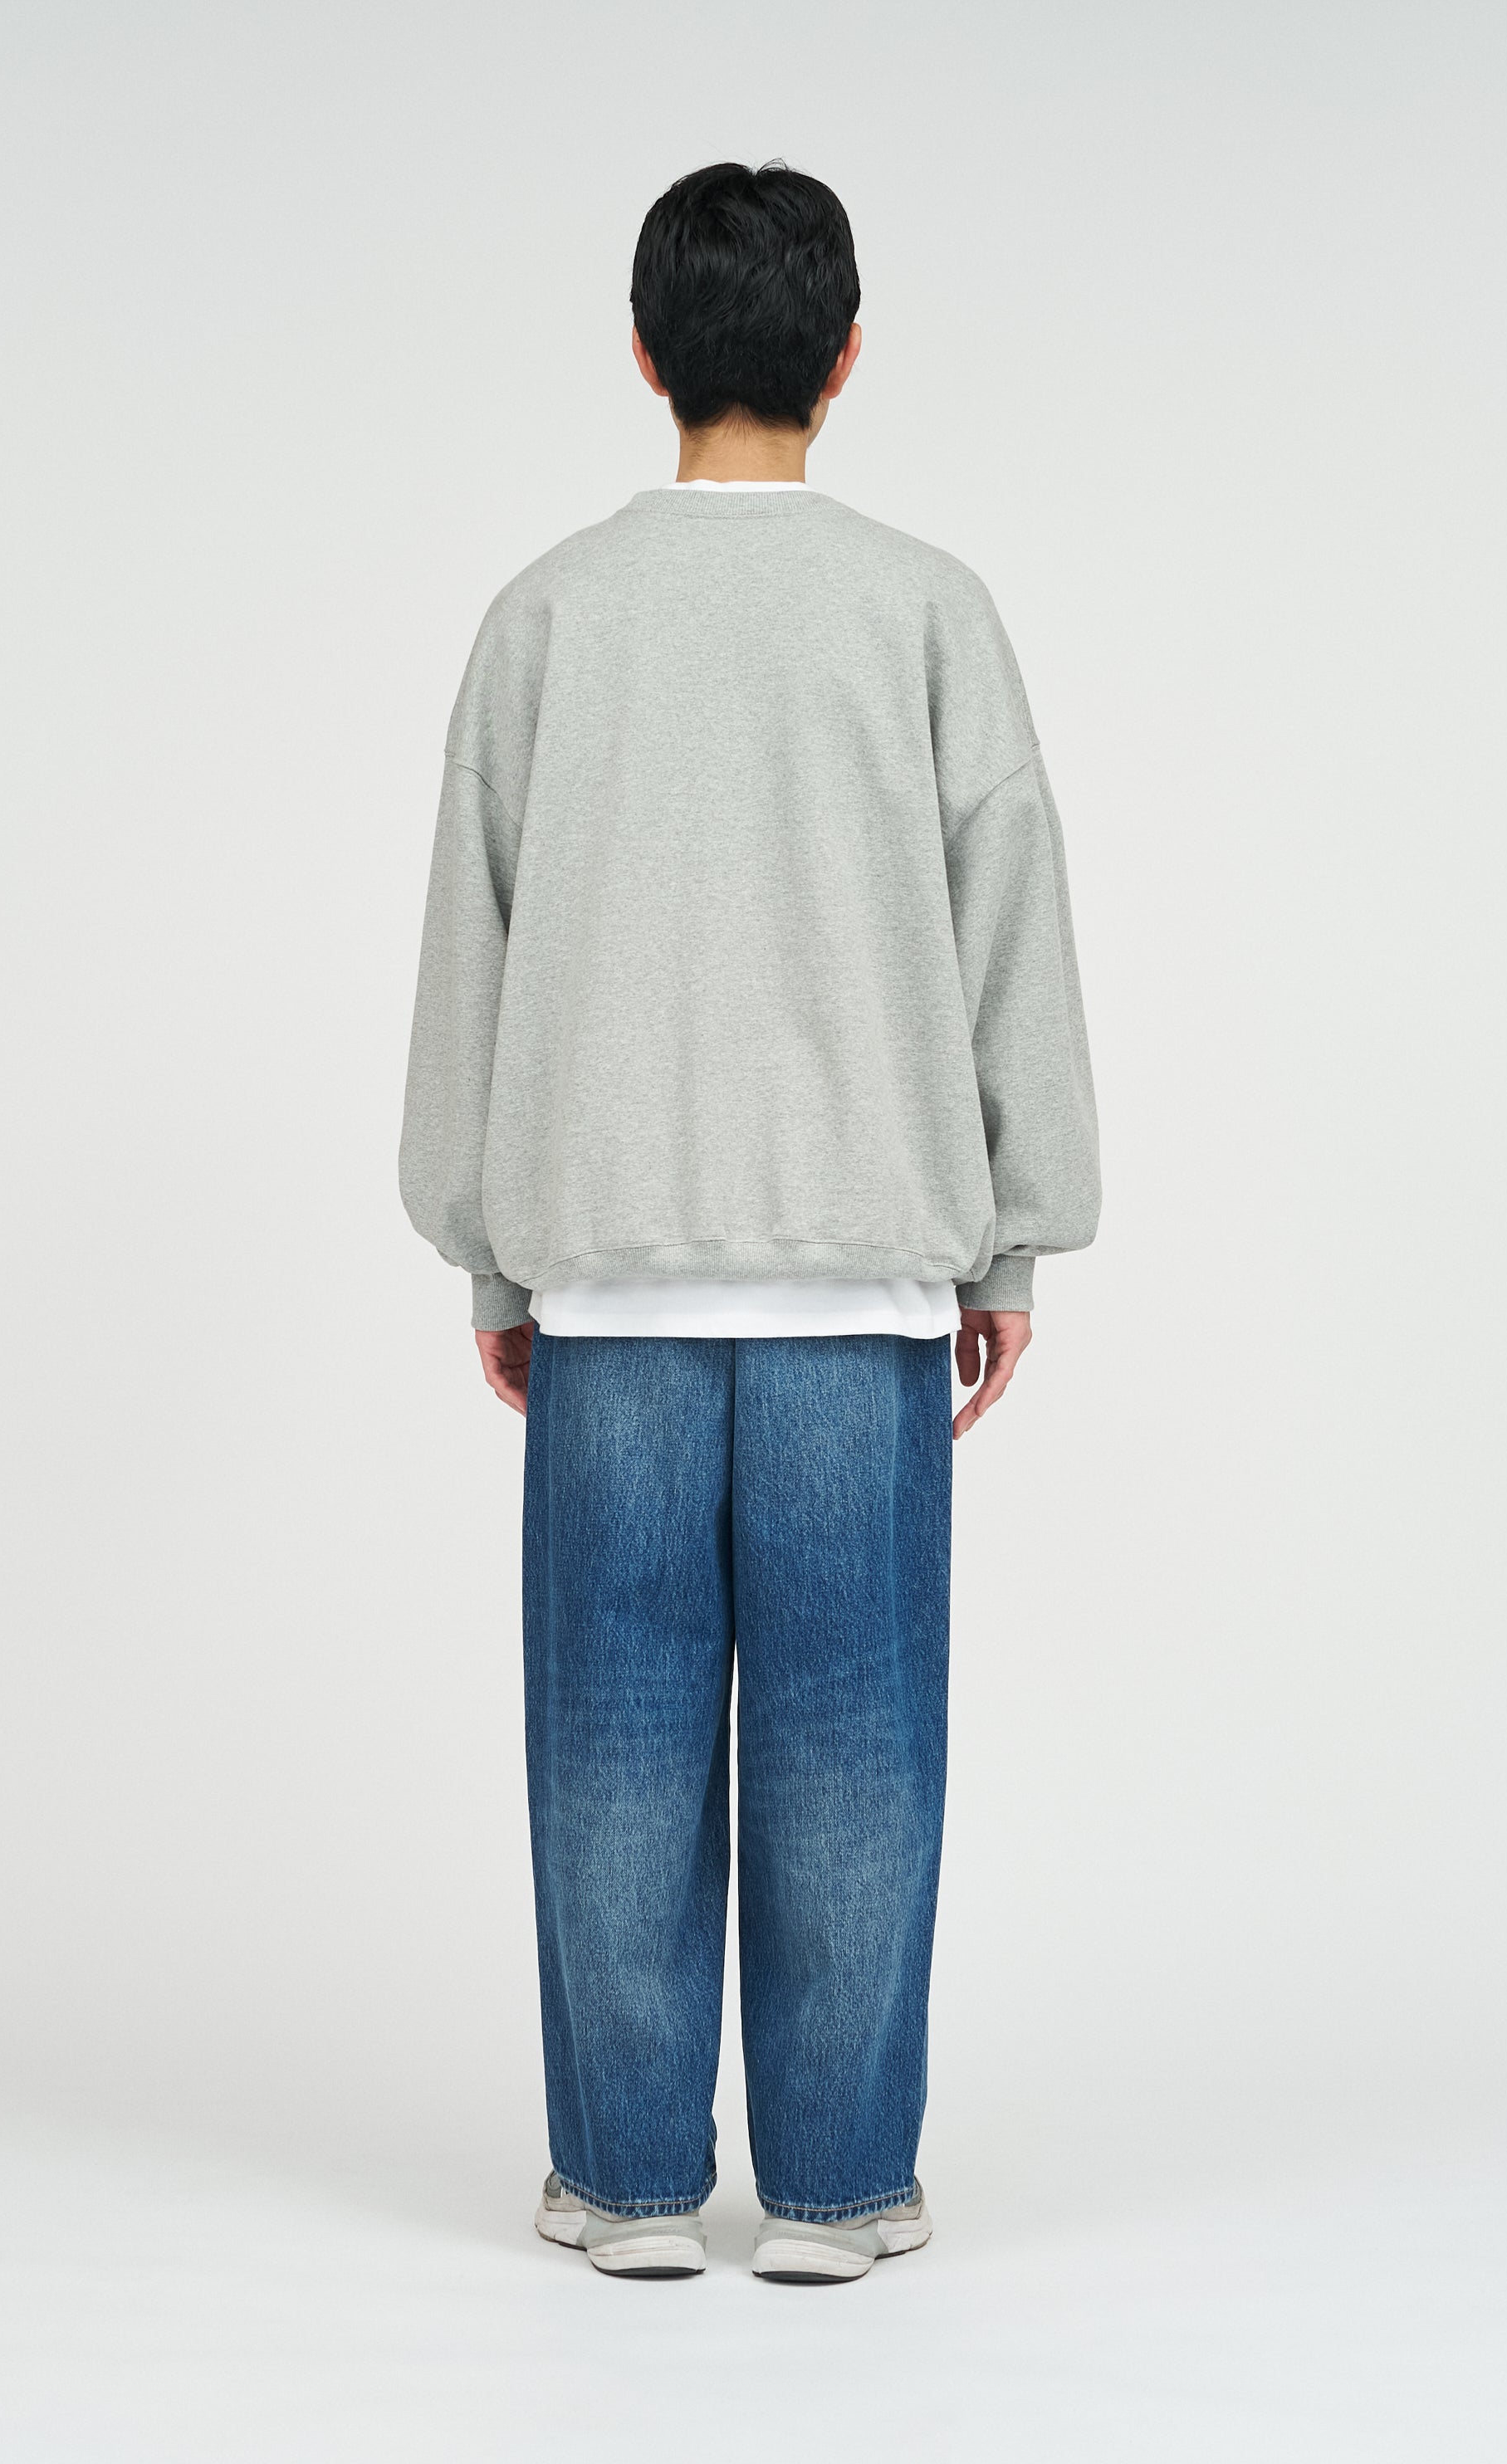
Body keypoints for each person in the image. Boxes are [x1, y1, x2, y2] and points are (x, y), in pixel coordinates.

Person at [399, 161, 1099, 2284]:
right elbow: (1011, 930)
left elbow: (471, 957)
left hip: (607, 1284)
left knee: (611, 1747)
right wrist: (1011, 1240)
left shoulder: (546, 616)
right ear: (847, 354)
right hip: (863, 1283)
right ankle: (841, 2188)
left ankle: (624, 2186)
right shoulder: (926, 610)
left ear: (643, 352)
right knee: (855, 1747)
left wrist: (492, 1249)